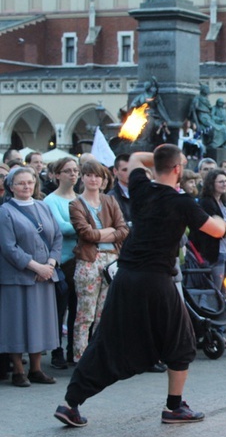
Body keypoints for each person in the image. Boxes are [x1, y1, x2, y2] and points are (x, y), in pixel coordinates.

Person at [54, 145, 226, 427]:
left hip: (125, 277)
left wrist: (169, 159)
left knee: (106, 339)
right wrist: (221, 220)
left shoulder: (141, 187)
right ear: (178, 170)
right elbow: (217, 230)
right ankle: (174, 407)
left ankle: (70, 403)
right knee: (181, 340)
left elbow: (136, 158)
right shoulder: (181, 202)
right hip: (155, 280)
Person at [0, 167, 62, 387]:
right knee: (16, 324)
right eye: (20, 183)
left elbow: (57, 237)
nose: (26, 186)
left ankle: (36, 369)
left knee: (40, 324)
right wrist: (37, 267)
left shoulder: (43, 207)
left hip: (44, 275)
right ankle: (18, 371)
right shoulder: (5, 211)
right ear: (11, 187)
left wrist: (50, 265)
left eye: (29, 182)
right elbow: (8, 247)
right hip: (18, 276)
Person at [69, 160, 129, 361]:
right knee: (85, 314)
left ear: (104, 179)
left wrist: (106, 233)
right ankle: (80, 357)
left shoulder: (110, 201)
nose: (93, 179)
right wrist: (109, 232)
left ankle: (99, 357)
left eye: (97, 176)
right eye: (89, 175)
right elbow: (86, 234)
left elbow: (123, 230)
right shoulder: (76, 204)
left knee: (105, 314)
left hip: (111, 261)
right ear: (83, 178)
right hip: (88, 262)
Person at [43, 157, 80, 369]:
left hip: (81, 260)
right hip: (61, 262)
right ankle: (56, 350)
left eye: (75, 170)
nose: (73, 174)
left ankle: (73, 350)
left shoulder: (79, 198)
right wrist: (86, 226)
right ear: (57, 175)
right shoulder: (51, 201)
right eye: (67, 171)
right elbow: (62, 228)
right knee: (59, 308)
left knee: (78, 309)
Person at [189, 169, 226, 294]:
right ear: (212, 184)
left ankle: (224, 313)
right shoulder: (206, 202)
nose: (225, 184)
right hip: (216, 252)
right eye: (221, 182)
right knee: (216, 289)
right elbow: (213, 226)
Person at [108, 154, 132, 223]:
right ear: (115, 171)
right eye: (125, 170)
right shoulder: (110, 198)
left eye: (131, 169)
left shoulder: (142, 192)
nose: (129, 173)